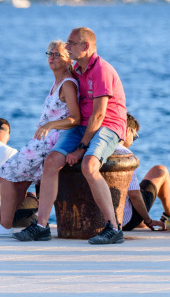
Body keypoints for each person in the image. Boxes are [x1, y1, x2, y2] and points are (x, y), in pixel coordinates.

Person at [14, 27, 127, 244]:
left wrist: (81, 148)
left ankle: (113, 227)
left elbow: (99, 114)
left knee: (88, 165)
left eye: (71, 43)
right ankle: (41, 226)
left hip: (108, 125)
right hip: (83, 125)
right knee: (52, 161)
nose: (66, 47)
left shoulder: (101, 70)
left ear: (85, 46)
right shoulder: (77, 68)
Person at [0, 40, 80, 238]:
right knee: (20, 183)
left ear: (68, 59)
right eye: (49, 53)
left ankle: (4, 227)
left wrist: (49, 125)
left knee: (6, 172)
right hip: (42, 140)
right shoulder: (57, 82)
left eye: (57, 54)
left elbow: (75, 118)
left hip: (51, 141)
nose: (52, 58)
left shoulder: (68, 84)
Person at [118, 114, 170, 231]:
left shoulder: (96, 151)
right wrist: (148, 220)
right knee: (160, 170)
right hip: (125, 221)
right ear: (128, 131)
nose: (132, 143)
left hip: (100, 219)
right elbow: (134, 194)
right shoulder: (125, 155)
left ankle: (144, 221)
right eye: (134, 137)